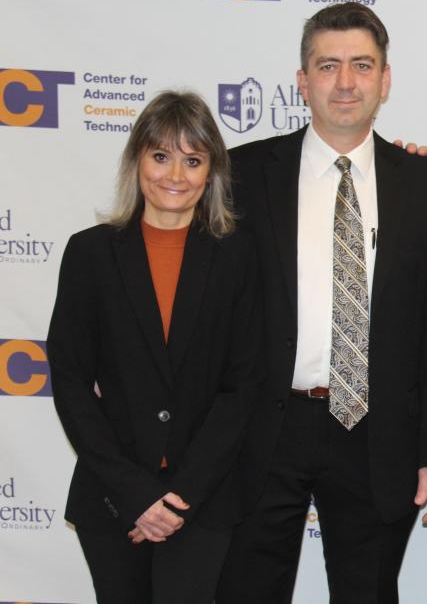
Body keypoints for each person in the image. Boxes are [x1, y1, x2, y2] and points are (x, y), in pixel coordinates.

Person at [215, 3, 427, 604]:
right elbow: (209, 309)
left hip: (379, 434)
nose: (346, 82)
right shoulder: (244, 175)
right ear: (302, 81)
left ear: (386, 80)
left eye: (362, 65)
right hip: (266, 429)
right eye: (328, 66)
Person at [47, 91, 263, 603]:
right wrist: (138, 497)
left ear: (210, 172)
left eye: (193, 160)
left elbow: (243, 386)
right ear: (136, 159)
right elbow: (73, 384)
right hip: (112, 500)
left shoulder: (237, 257)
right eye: (161, 155)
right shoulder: (90, 254)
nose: (175, 175)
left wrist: (178, 499)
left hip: (203, 502)